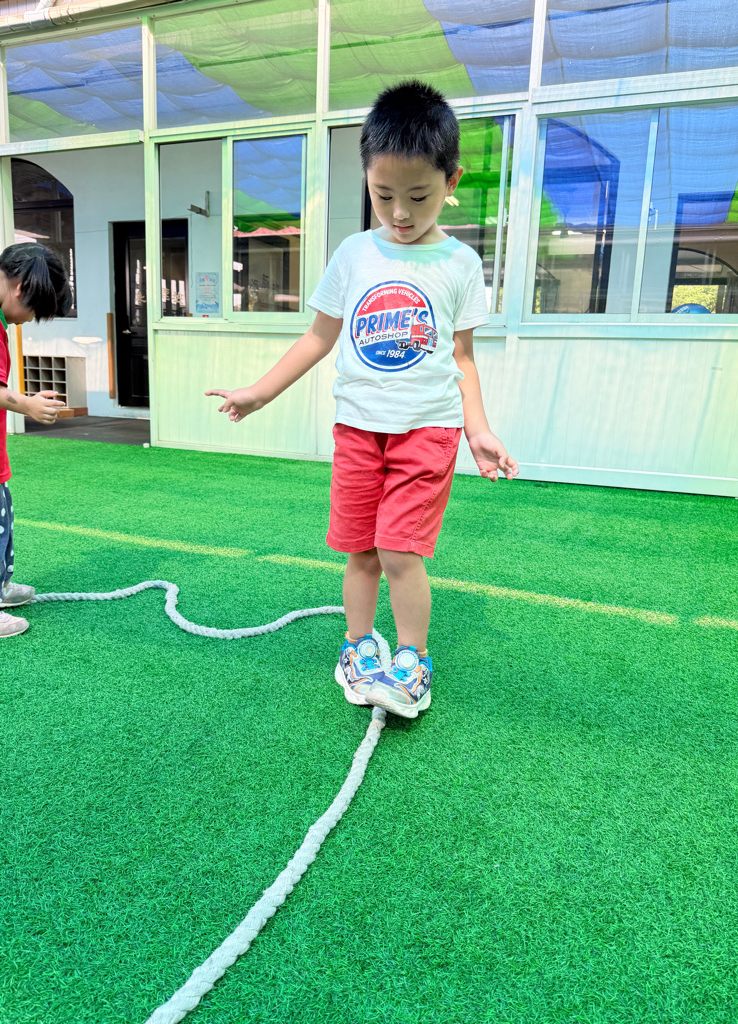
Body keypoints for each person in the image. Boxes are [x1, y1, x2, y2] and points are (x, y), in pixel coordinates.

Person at [207, 80, 519, 718]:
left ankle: (412, 660)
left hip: (427, 432)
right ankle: (357, 647)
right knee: (362, 549)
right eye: (383, 195)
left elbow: (461, 358)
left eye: (418, 196)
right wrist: (258, 393)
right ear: (367, 180)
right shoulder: (353, 254)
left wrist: (478, 430)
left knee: (401, 548)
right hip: (357, 431)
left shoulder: (460, 264)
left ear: (451, 181)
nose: (400, 213)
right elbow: (318, 337)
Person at [0, 242, 72, 638]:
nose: (28, 320)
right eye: (35, 311)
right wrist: (28, 405)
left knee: (0, 522)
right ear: (21, 287)